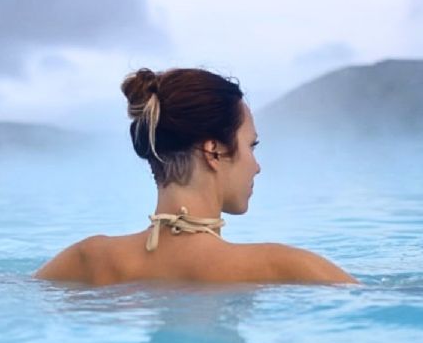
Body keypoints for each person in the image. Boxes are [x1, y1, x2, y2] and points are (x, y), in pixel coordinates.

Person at [35, 67, 357, 285]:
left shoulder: (87, 261)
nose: (257, 166)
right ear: (214, 151)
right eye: (251, 145)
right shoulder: (284, 269)